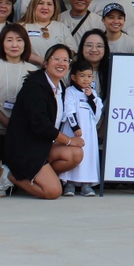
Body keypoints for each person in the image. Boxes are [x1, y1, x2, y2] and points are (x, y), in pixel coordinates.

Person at [2, 44, 84, 200]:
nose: (61, 63)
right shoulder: (35, 86)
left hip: (44, 145)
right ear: (45, 63)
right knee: (53, 192)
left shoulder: (60, 86)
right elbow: (40, 125)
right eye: (57, 59)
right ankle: (8, 175)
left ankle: (35, 176)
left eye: (65, 60)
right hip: (26, 148)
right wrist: (68, 140)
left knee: (76, 154)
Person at [0, 24, 38, 196]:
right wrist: (5, 121)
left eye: (19, 40)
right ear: (2, 43)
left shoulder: (33, 70)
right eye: (9, 40)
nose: (14, 45)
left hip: (20, 135)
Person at [59, 59, 103, 198]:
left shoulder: (93, 93)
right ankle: (70, 183)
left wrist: (90, 98)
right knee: (73, 153)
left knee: (88, 154)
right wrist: (75, 126)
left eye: (89, 76)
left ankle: (86, 183)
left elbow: (97, 111)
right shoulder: (70, 91)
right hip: (74, 130)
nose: (86, 79)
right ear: (73, 77)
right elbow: (69, 110)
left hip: (89, 132)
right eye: (82, 76)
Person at [22, 0, 78, 64]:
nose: (45, 7)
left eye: (49, 4)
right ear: (33, 5)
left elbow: (72, 50)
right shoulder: (22, 27)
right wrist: (43, 62)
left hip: (58, 73)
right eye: (40, 3)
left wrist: (58, 61)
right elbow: (18, 51)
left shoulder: (61, 27)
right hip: (30, 73)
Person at [78, 29, 110, 97]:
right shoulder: (70, 71)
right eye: (89, 45)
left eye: (99, 46)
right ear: (82, 48)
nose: (94, 50)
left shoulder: (111, 73)